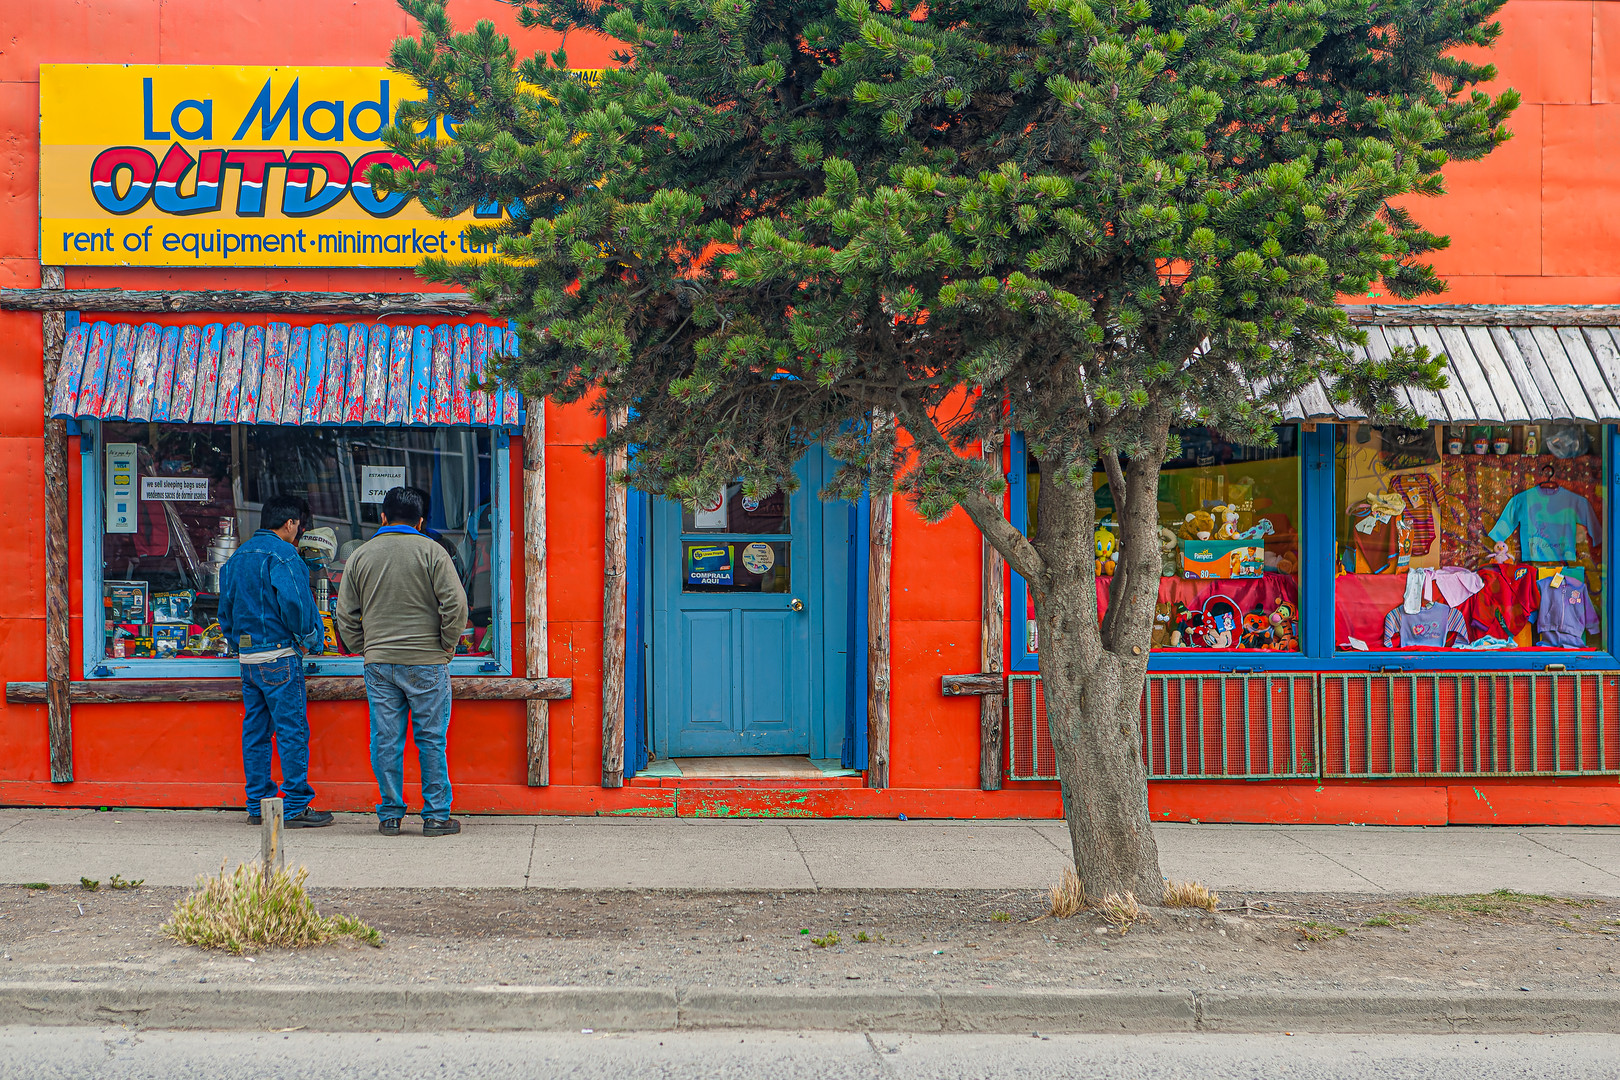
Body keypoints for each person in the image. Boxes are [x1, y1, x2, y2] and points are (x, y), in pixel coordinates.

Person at [335, 486, 469, 837]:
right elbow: (456, 606)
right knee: (431, 739)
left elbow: (344, 614)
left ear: (382, 517)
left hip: (379, 663)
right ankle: (437, 816)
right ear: (421, 520)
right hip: (427, 661)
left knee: (385, 739)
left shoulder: (361, 556)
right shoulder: (433, 552)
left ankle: (390, 814)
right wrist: (446, 647)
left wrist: (365, 647)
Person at [218, 495, 333, 829]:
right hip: (280, 657)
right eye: (299, 526)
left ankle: (257, 804)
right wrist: (312, 639)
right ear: (290, 524)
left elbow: (225, 611)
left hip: (248, 659)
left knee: (255, 732)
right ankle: (296, 805)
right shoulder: (284, 555)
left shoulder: (236, 558)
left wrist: (238, 642)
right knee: (291, 731)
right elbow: (296, 606)